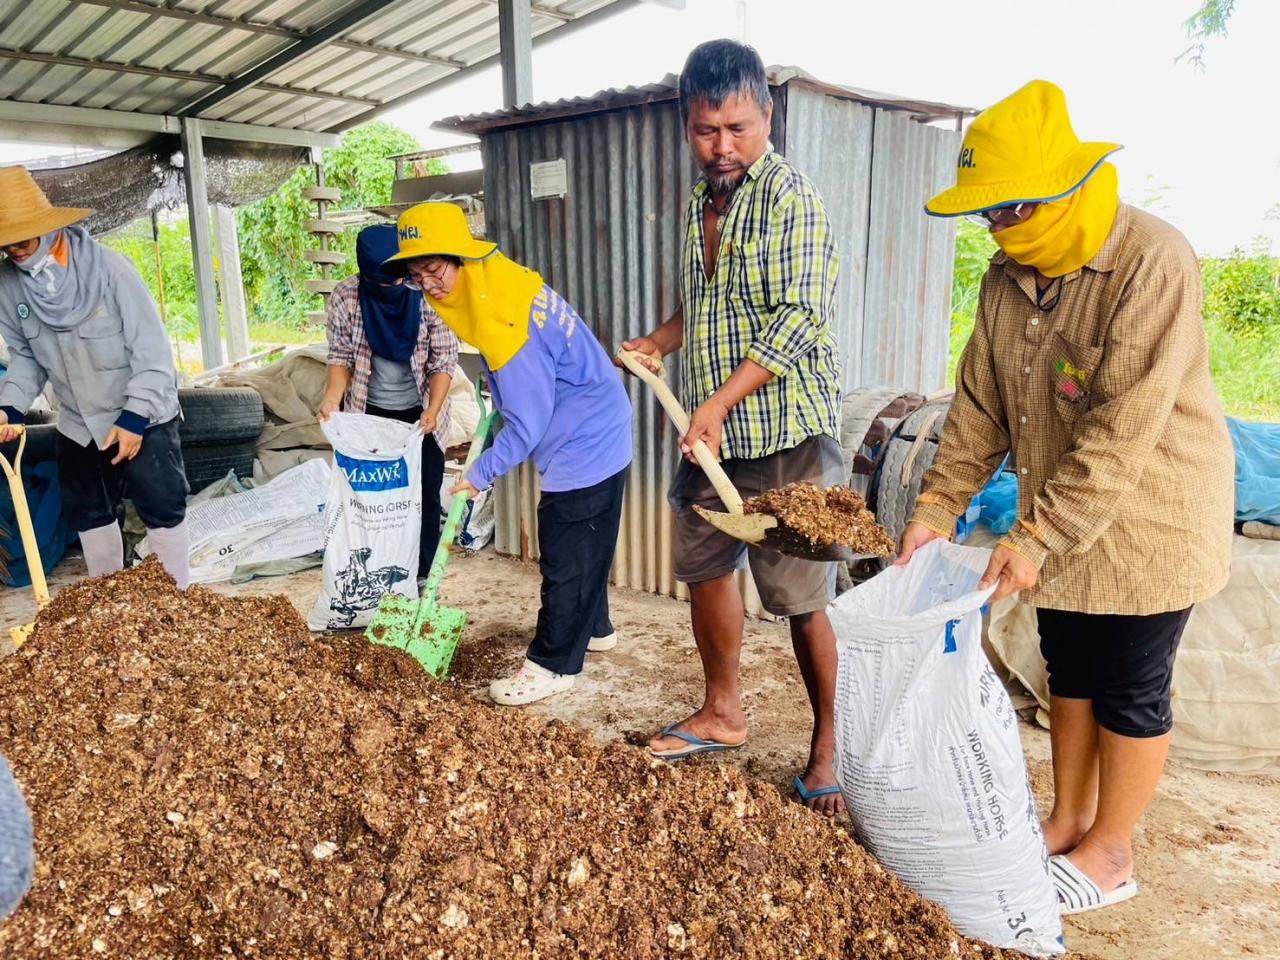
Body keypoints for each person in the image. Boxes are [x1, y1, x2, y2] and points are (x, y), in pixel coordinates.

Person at [897, 80, 1234, 914]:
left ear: (1054, 196)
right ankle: (1070, 819)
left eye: (1005, 213)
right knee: (1069, 668)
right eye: (986, 217)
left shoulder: (1153, 260)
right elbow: (977, 406)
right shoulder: (1008, 280)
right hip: (1059, 516)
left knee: (1129, 683)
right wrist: (936, 510)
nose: (994, 231)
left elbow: (1125, 424)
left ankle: (1113, 854)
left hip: (1150, 515)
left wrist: (1039, 536)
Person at [620, 40, 846, 816]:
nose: (722, 147)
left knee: (800, 594)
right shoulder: (700, 203)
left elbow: (798, 319)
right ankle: (723, 710)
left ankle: (828, 751)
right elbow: (706, 306)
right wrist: (659, 342)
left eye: (739, 129)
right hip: (713, 435)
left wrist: (715, 402)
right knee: (705, 564)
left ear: (768, 116)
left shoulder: (792, 200)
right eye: (706, 130)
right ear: (688, 126)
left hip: (785, 433)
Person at [385, 202, 633, 706]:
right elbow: (530, 378)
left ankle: (553, 664)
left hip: (586, 437)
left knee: (567, 545)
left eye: (434, 269)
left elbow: (527, 424)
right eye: (417, 275)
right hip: (595, 417)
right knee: (587, 538)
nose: (429, 285)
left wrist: (479, 474)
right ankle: (596, 628)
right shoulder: (497, 280)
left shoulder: (501, 318)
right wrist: (501, 389)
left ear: (460, 257)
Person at [0, 165, 191, 588]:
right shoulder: (9, 287)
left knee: (161, 505)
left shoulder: (111, 270)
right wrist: (8, 407)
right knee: (89, 509)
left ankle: (179, 601)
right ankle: (108, 598)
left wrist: (135, 418)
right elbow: (26, 357)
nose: (14, 250)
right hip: (78, 420)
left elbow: (153, 353)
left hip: (143, 411)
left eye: (22, 240)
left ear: (50, 231)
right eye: (5, 245)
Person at [319, 223, 458, 575]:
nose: (393, 288)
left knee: (425, 494)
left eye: (398, 280)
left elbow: (443, 361)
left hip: (422, 414)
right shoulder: (347, 296)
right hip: (370, 413)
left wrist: (433, 409)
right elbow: (340, 357)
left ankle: (421, 575)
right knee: (374, 501)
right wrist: (332, 399)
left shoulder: (425, 293)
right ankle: (378, 571)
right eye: (382, 284)